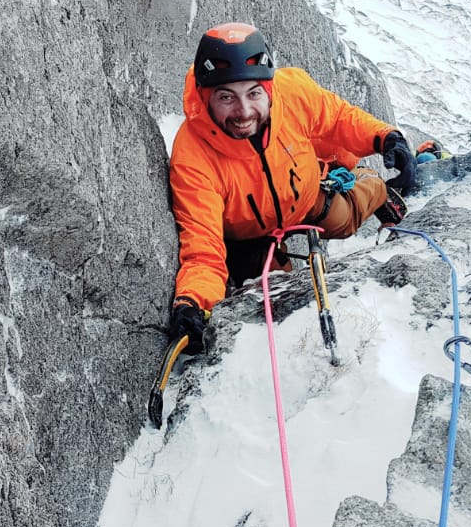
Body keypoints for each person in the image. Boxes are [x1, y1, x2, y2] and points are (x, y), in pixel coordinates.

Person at [163, 22, 417, 357]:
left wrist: (385, 137)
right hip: (249, 238)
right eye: (226, 97)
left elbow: (338, 118)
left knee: (345, 220)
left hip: (304, 194)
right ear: (206, 97)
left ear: (268, 89)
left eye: (253, 94)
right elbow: (203, 244)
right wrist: (192, 302)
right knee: (278, 306)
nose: (243, 112)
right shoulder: (193, 156)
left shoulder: (291, 92)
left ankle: (375, 189)